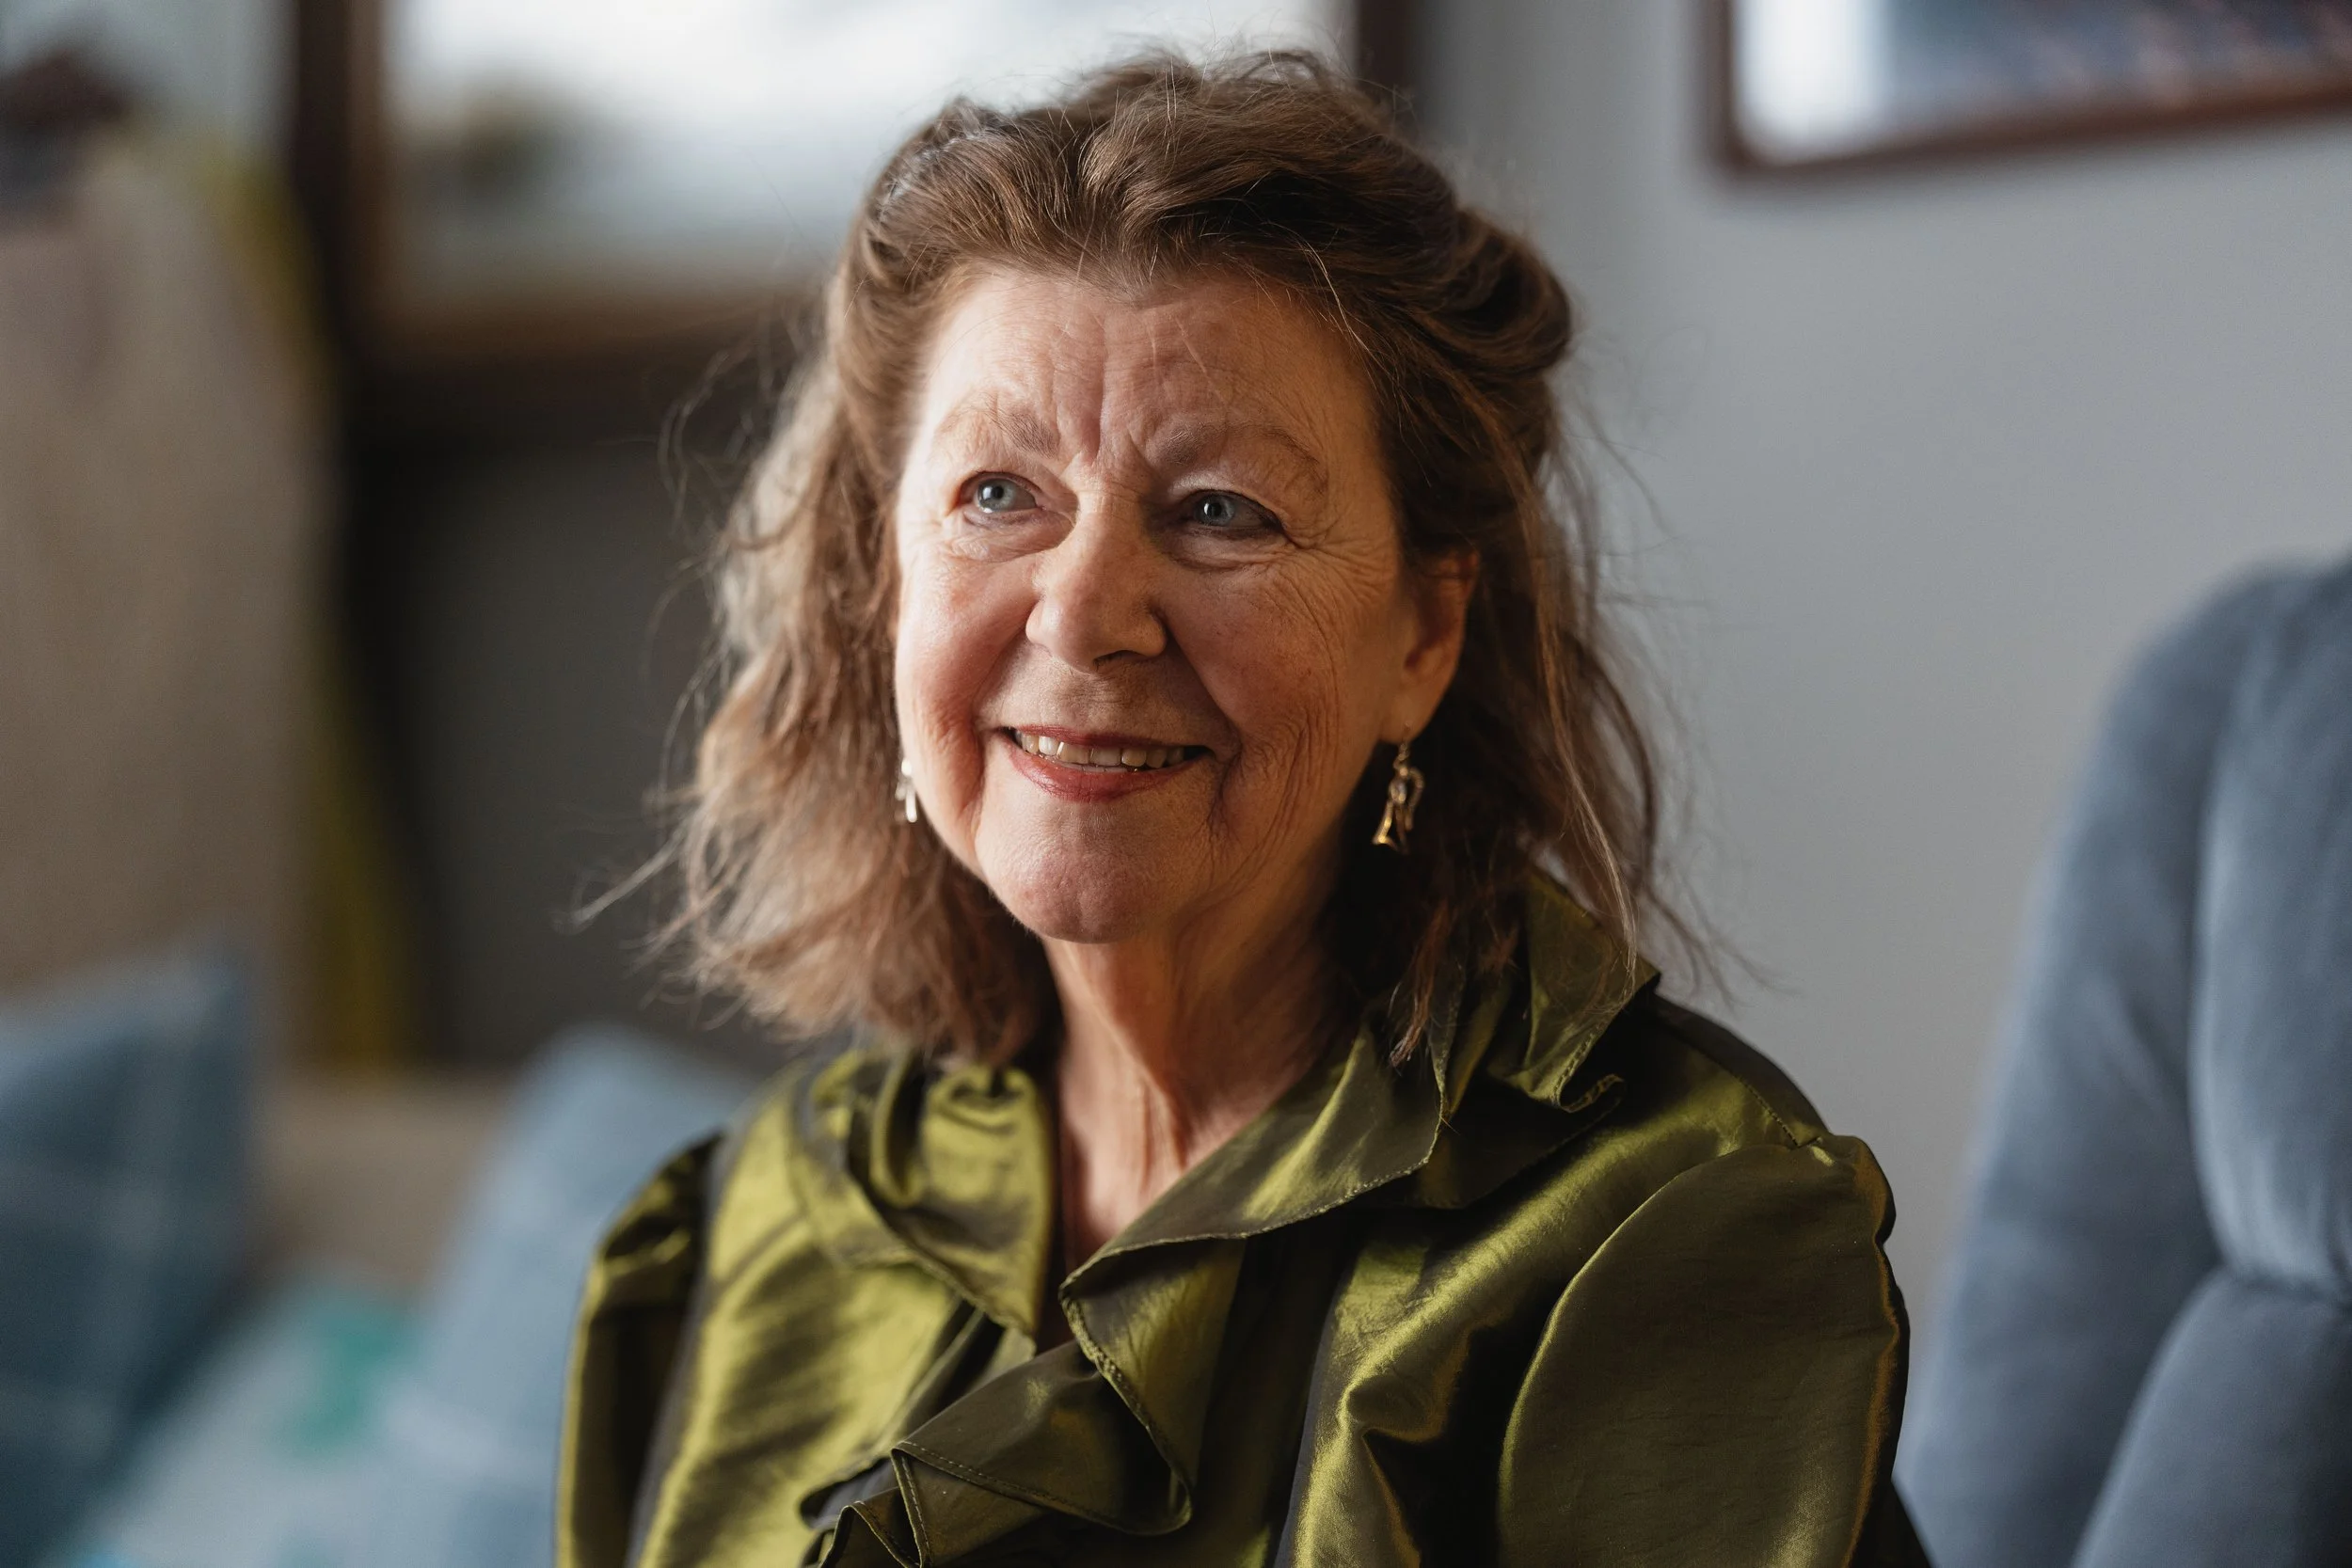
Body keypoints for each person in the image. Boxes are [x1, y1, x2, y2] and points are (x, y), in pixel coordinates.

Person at [559, 51, 1926, 1568]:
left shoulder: (1663, 1237)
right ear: (888, 585)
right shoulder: (770, 1214)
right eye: (999, 495)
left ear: (1422, 636)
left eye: (1222, 510)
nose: (1082, 617)